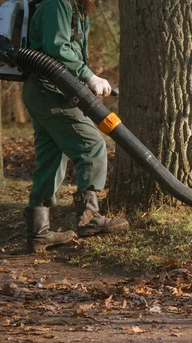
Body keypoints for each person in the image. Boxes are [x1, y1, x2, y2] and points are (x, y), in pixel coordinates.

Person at [23, 0, 128, 253]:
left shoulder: (76, 8)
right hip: (49, 91)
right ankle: (89, 220)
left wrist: (85, 80)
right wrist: (88, 76)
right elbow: (57, 49)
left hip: (49, 91)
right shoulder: (57, 4)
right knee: (91, 145)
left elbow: (70, 52)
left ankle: (39, 233)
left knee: (51, 158)